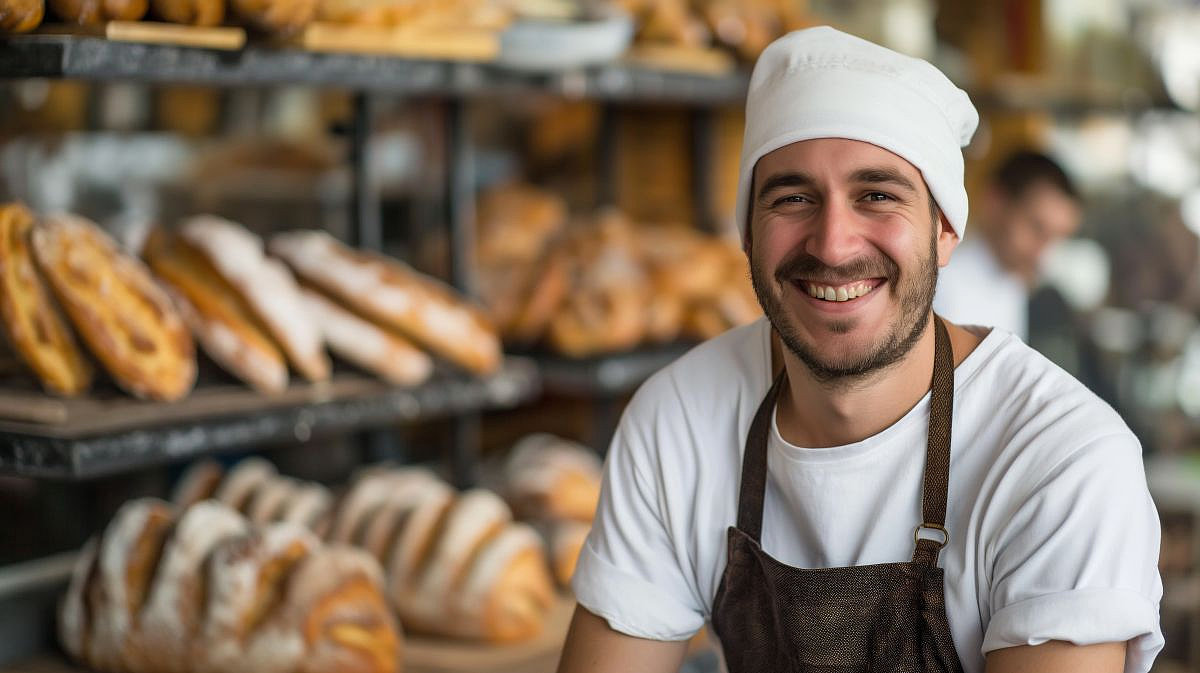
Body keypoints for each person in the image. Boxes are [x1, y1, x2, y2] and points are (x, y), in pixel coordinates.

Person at [558, 26, 1162, 673]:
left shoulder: (1063, 463)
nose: (833, 244)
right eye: (793, 198)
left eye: (877, 196)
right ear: (748, 235)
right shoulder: (678, 419)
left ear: (945, 229)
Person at [933, 151, 1083, 339]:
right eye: (1037, 228)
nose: (1045, 253)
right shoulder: (937, 281)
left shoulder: (1015, 286)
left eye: (1058, 238)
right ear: (996, 202)